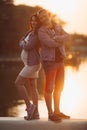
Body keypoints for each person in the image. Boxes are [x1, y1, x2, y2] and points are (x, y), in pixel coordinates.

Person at [37, 9, 70, 122]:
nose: (43, 18)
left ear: (48, 15)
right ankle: (50, 114)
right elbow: (49, 43)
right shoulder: (41, 31)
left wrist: (58, 38)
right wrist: (60, 41)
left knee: (59, 87)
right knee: (49, 88)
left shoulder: (57, 26)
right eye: (41, 18)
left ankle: (57, 111)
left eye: (45, 16)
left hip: (60, 61)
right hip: (49, 62)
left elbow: (68, 36)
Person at [15, 14, 41, 120]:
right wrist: (23, 42)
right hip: (29, 63)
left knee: (18, 83)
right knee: (33, 87)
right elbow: (20, 41)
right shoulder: (29, 32)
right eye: (32, 20)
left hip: (32, 64)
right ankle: (36, 113)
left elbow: (28, 46)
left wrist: (23, 43)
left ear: (39, 22)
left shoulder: (37, 34)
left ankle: (30, 107)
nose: (33, 22)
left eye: (35, 21)